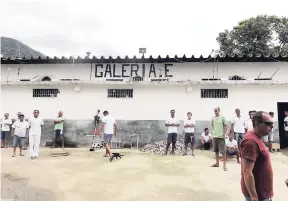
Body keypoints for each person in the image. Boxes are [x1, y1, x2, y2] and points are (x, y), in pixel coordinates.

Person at [240, 111, 273, 201]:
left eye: (272, 123)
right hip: (258, 195)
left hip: (263, 193)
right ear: (257, 124)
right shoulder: (251, 142)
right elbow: (247, 172)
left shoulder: (257, 138)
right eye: (268, 124)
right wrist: (254, 198)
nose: (272, 127)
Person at [211, 107, 228, 171]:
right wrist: (214, 131)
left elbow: (226, 125)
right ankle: (217, 163)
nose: (215, 111)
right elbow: (212, 124)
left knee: (223, 151)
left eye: (216, 110)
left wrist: (224, 134)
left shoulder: (222, 117)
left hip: (221, 137)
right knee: (216, 150)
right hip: (215, 136)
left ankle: (224, 165)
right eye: (214, 110)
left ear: (219, 110)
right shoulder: (213, 118)